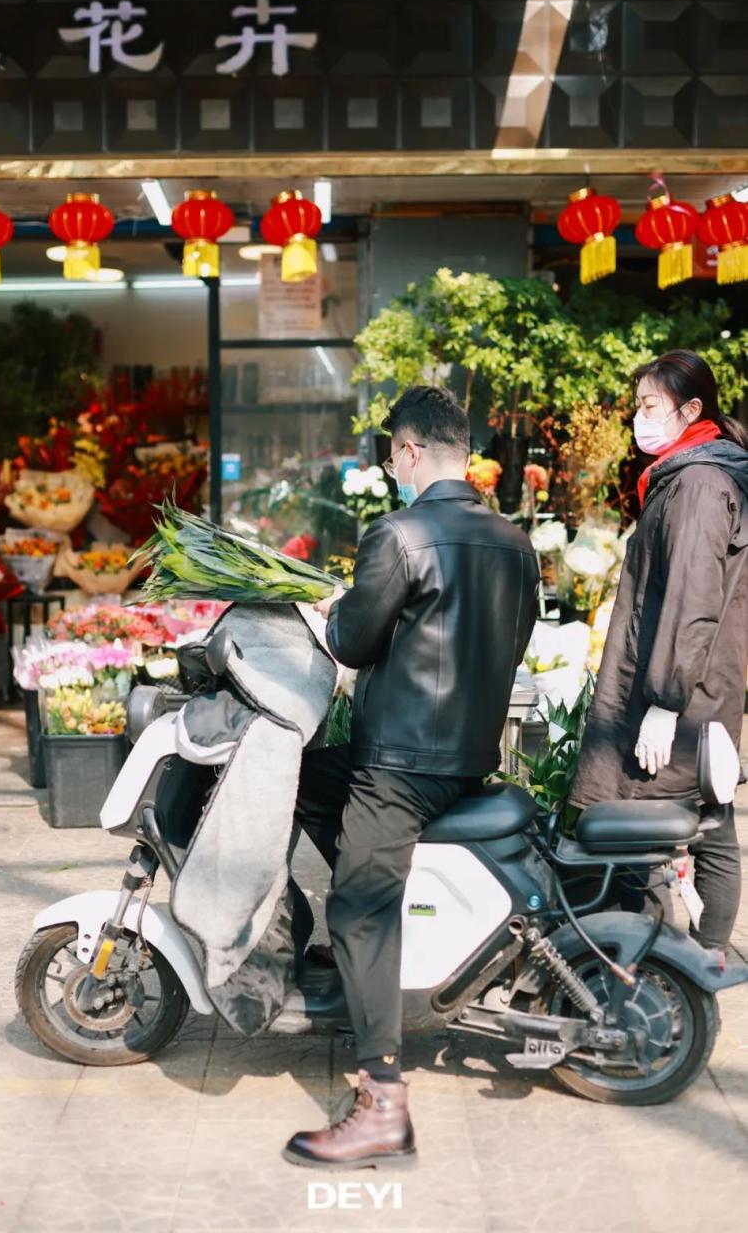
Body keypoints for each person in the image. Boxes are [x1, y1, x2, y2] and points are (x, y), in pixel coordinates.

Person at [282, 386, 539, 1169]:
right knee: (298, 778)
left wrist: (330, 609)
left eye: (392, 454)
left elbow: (353, 642)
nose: (391, 467)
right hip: (465, 757)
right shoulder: (514, 543)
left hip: (398, 767)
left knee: (359, 908)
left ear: (407, 452)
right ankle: (353, 961)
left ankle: (381, 1103)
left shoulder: (396, 535)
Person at [571, 349, 748, 951]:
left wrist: (666, 701)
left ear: (691, 409)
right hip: (696, 682)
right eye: (638, 407)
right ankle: (689, 965)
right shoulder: (689, 476)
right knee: (703, 821)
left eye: (650, 406)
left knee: (671, 826)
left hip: (685, 692)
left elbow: (693, 597)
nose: (638, 419)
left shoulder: (699, 483)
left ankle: (686, 966)